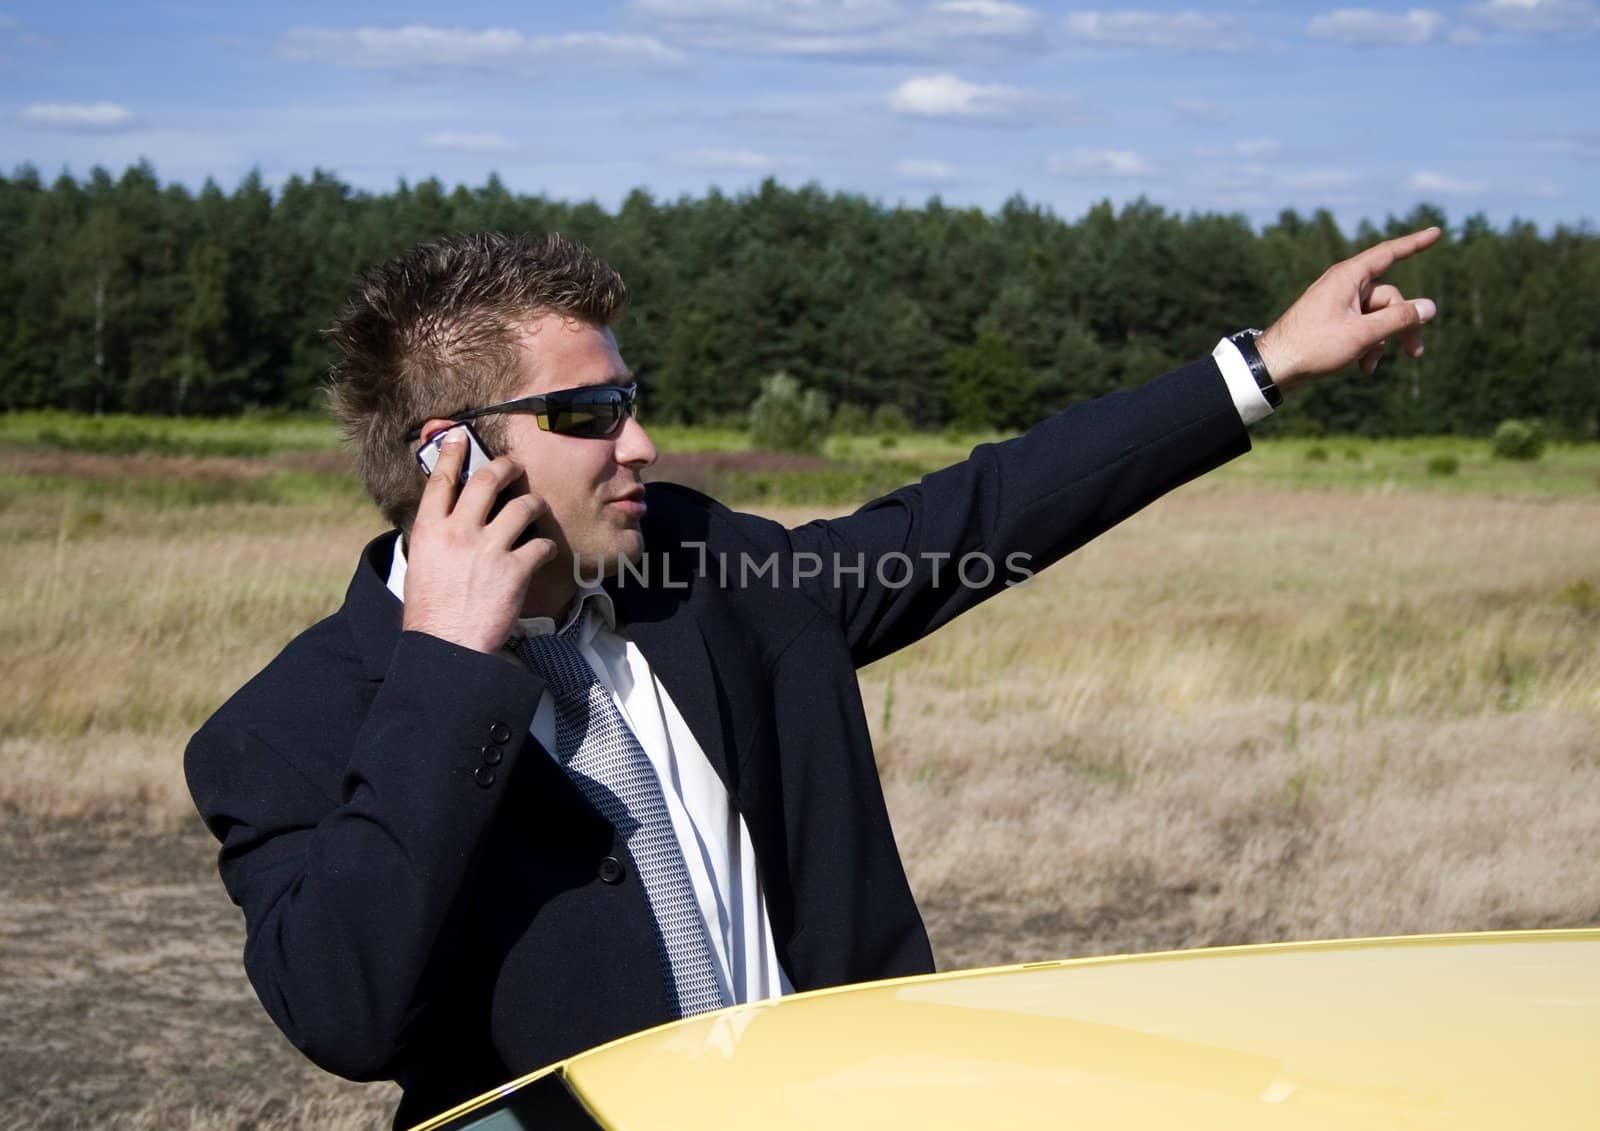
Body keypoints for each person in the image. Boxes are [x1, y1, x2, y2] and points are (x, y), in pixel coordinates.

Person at [185, 227, 1439, 1127]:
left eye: (635, 399)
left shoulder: (705, 564)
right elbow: (343, 1015)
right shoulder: (282, 732)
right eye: (593, 413)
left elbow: (964, 520)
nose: (644, 443)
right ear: (450, 450)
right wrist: (448, 674)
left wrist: (1258, 368)